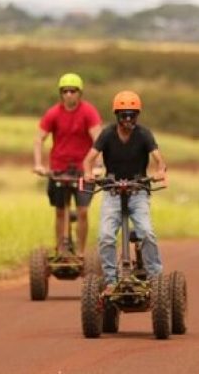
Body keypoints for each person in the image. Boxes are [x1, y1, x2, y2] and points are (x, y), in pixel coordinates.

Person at [83, 90, 167, 293]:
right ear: (117, 116)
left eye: (132, 114)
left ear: (137, 115)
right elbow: (89, 159)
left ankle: (156, 279)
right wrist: (88, 173)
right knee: (105, 236)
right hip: (112, 191)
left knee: (146, 232)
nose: (128, 119)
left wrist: (159, 172)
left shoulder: (144, 134)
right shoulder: (107, 134)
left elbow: (159, 160)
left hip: (138, 190)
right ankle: (111, 280)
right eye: (124, 114)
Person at [33, 72, 102, 257]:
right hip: (59, 169)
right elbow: (39, 138)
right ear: (61, 94)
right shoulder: (53, 113)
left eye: (73, 91)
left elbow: (98, 139)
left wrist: (98, 166)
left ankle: (80, 252)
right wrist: (39, 164)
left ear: (80, 93)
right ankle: (61, 250)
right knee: (60, 211)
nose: (69, 95)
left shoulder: (88, 112)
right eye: (65, 91)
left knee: (83, 211)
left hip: (83, 170)